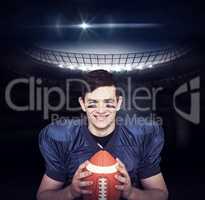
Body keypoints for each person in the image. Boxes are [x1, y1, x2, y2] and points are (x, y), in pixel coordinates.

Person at [37, 69, 168, 200]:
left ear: (118, 103)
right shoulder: (61, 137)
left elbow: (161, 194)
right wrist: (70, 192)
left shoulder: (142, 135)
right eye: (93, 103)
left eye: (108, 103)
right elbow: (43, 196)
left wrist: (131, 193)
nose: (100, 110)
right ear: (82, 104)